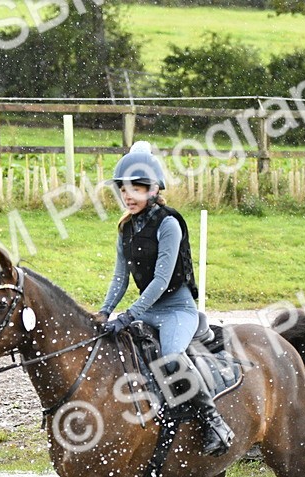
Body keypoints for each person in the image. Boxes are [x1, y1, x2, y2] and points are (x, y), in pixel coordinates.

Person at [95, 141, 235, 457]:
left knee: (171, 355)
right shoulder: (125, 228)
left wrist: (128, 315)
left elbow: (160, 281)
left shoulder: (169, 224)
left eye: (137, 188)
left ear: (154, 189)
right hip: (148, 312)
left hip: (177, 310)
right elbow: (120, 278)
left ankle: (213, 422)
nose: (128, 195)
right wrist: (104, 312)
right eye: (123, 189)